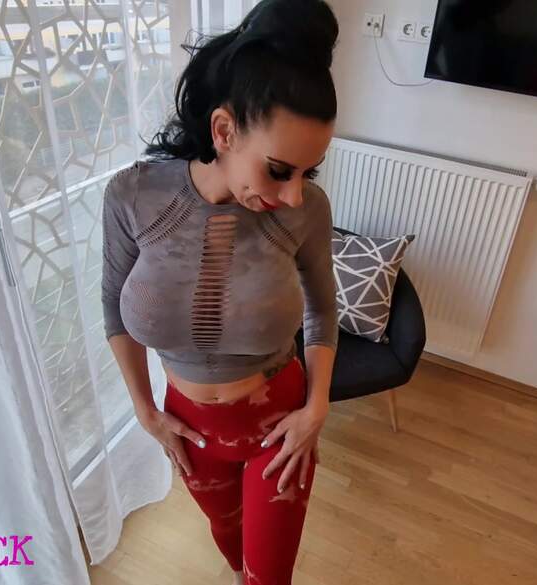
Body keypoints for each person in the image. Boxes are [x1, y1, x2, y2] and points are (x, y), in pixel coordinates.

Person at [100, 1, 340, 583]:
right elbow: (112, 304)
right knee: (230, 543)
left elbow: (322, 310)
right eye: (279, 170)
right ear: (224, 131)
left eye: (308, 172)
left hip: (278, 426)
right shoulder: (134, 196)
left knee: (267, 577)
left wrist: (316, 409)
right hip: (189, 429)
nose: (293, 194)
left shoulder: (304, 211)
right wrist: (145, 410)